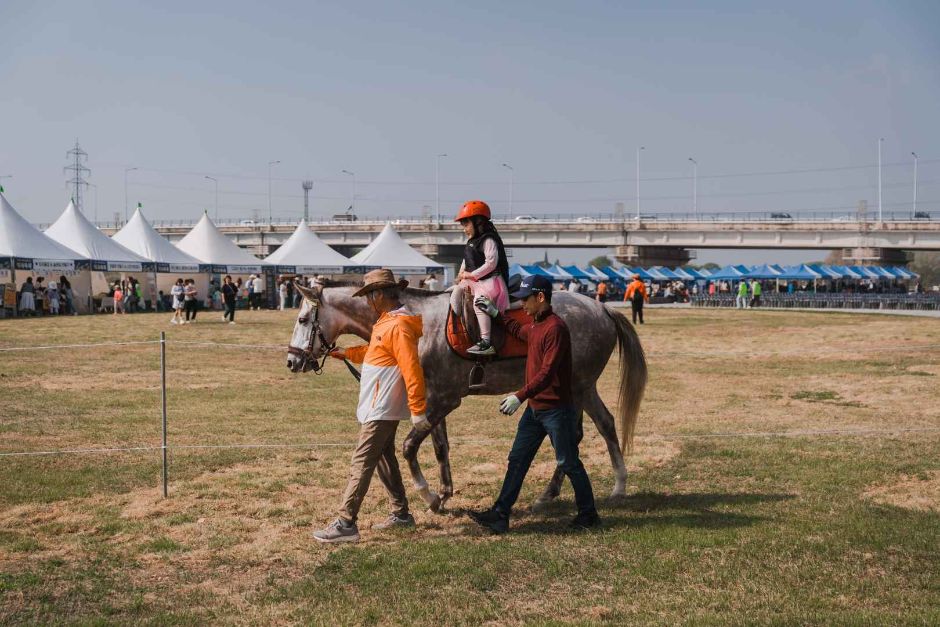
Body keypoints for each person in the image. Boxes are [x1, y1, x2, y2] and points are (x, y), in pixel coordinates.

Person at [470, 275, 600, 534]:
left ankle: (589, 515)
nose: (522, 306)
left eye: (525, 300)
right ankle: (500, 514)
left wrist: (519, 395)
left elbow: (547, 373)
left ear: (540, 297)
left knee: (568, 462)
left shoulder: (556, 329)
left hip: (556, 411)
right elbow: (519, 331)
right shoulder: (535, 325)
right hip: (535, 411)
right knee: (517, 459)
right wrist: (496, 313)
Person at [312, 269, 431, 544]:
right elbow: (374, 352)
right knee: (383, 458)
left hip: (382, 406)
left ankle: (346, 523)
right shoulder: (386, 322)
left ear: (379, 295)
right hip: (379, 405)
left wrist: (418, 409)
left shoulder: (398, 326)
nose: (367, 302)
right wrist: (346, 353)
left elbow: (411, 368)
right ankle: (401, 515)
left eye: (368, 296)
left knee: (362, 461)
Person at [449, 200, 510, 356]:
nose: (464, 229)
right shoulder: (472, 241)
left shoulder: (489, 240)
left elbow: (491, 264)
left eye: (466, 224)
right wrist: (461, 274)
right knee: (452, 292)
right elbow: (466, 261)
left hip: (491, 282)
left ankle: (486, 342)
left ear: (478, 222)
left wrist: (471, 275)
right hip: (476, 281)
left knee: (479, 303)